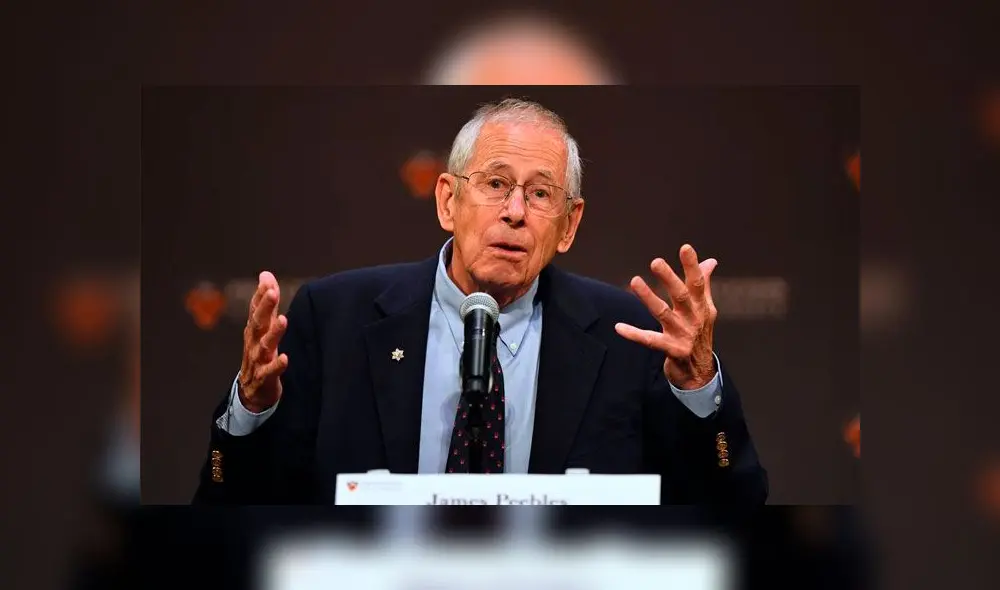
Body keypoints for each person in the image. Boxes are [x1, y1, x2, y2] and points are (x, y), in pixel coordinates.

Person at [193, 97, 767, 505]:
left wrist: (699, 391)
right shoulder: (333, 318)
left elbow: (733, 509)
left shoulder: (632, 337)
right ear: (447, 200)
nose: (515, 211)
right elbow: (229, 513)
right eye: (495, 184)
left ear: (569, 225)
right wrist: (250, 414)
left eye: (541, 193)